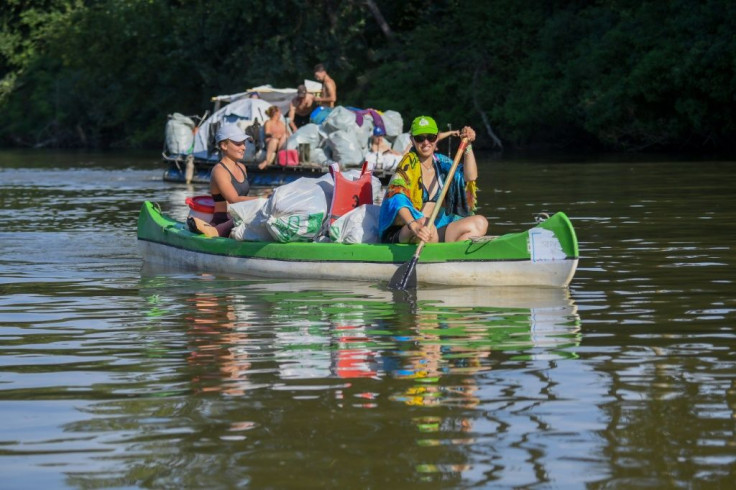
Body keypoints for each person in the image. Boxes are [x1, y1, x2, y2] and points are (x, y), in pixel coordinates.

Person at [378, 115, 488, 244]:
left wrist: (467, 145)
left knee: (480, 222)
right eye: (420, 138)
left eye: (431, 137)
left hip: (434, 230)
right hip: (406, 230)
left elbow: (470, 176)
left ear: (436, 138)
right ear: (412, 140)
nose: (426, 143)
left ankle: (453, 258)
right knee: (426, 224)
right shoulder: (407, 164)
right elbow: (396, 198)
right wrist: (413, 225)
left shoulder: (442, 163)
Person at [187, 124, 261, 238]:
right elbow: (234, 199)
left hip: (240, 217)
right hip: (222, 222)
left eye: (244, 143)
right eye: (238, 143)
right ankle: (211, 230)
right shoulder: (219, 171)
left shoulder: (242, 167)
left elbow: (245, 201)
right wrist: (264, 200)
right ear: (224, 145)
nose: (244, 147)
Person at [257, 105, 288, 170]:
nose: (280, 114)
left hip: (281, 142)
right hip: (270, 141)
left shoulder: (281, 123)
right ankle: (267, 161)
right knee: (274, 140)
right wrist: (275, 135)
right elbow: (267, 133)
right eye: (279, 112)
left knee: (284, 136)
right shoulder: (268, 122)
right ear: (275, 113)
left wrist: (281, 136)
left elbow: (286, 133)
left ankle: (278, 156)